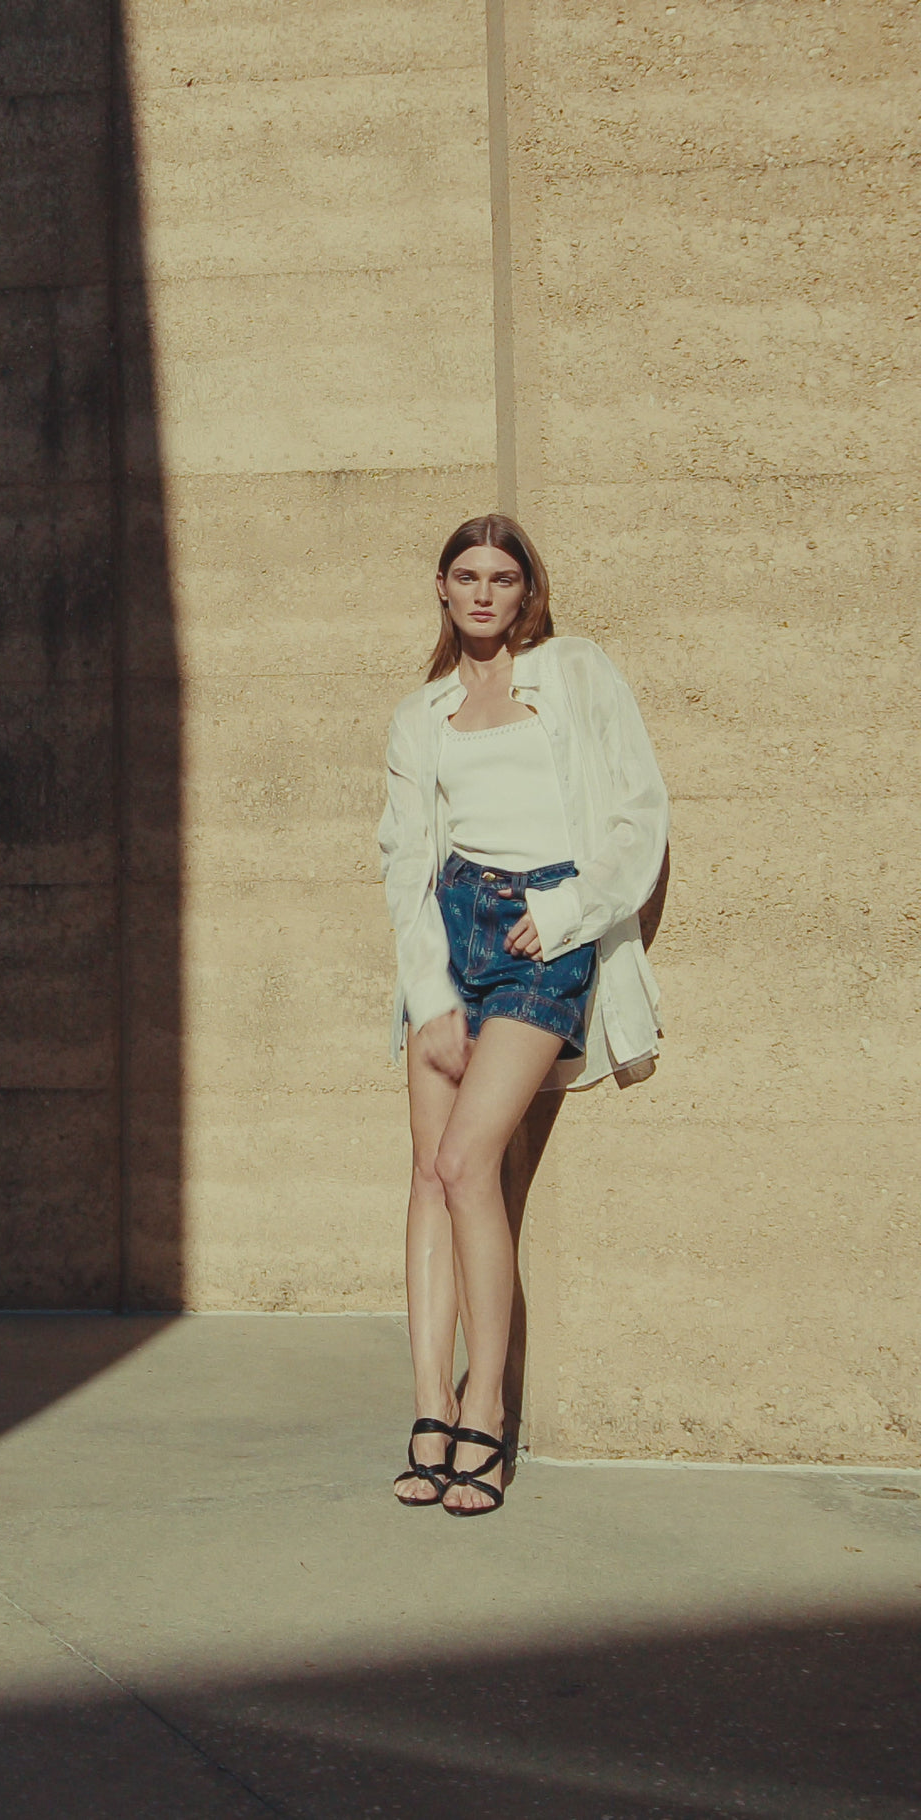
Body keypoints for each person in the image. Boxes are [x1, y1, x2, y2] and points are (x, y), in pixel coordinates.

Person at [378, 514, 669, 1515]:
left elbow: (640, 814)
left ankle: (486, 1407)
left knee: (468, 1165)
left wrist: (567, 910)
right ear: (443, 587)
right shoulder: (422, 714)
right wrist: (427, 997)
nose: (483, 593)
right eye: (466, 576)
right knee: (429, 1173)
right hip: (448, 932)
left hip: (540, 935)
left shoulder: (575, 672)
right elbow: (403, 861)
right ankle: (428, 1406)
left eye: (502, 578)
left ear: (526, 589)